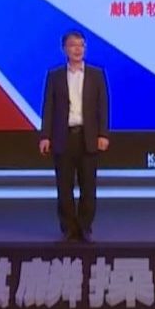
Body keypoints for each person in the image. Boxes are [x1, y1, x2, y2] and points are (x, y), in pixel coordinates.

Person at [39, 30, 110, 242]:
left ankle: (85, 227)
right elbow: (48, 107)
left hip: (88, 137)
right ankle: (68, 228)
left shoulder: (96, 75)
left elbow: (103, 107)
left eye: (81, 45)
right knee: (64, 186)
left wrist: (103, 134)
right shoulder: (55, 76)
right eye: (72, 45)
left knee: (88, 185)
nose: (77, 49)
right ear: (64, 49)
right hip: (63, 137)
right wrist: (45, 136)